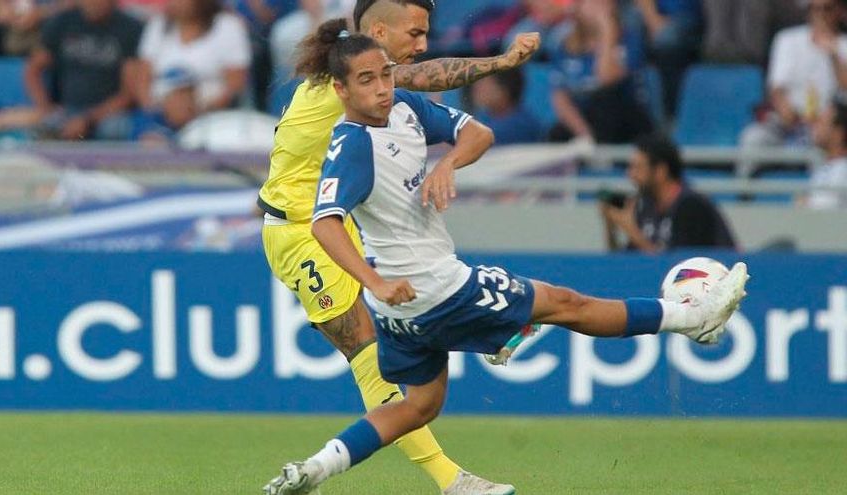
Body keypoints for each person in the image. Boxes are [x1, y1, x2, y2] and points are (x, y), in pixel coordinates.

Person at [262, 30, 749, 495]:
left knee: (419, 407)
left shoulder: (406, 108)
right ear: (341, 90)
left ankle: (314, 468)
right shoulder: (351, 146)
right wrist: (375, 282)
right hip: (434, 288)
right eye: (366, 80)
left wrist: (448, 162)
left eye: (386, 74)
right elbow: (325, 224)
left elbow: (478, 133)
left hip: (403, 309)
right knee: (567, 304)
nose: (382, 88)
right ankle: (692, 317)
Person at [257, 2, 542, 494]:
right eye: (414, 34)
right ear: (378, 32)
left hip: (345, 222)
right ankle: (451, 481)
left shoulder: (361, 78)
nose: (421, 46)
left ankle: (486, 330)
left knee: (414, 295)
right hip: (300, 234)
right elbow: (425, 75)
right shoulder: (344, 82)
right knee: (367, 353)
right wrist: (499, 62)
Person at [24, 0, 143, 140]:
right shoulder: (63, 22)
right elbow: (33, 70)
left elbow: (129, 93)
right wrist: (46, 108)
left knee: (115, 129)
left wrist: (87, 120)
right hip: (66, 110)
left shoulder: (130, 28)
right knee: (39, 127)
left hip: (109, 114)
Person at [130, 0, 250, 139]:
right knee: (148, 136)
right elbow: (142, 79)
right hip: (160, 114)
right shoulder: (158, 25)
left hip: (210, 116)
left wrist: (197, 109)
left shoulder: (227, 26)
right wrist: (157, 109)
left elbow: (235, 85)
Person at [600, 133, 737, 253]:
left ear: (661, 171)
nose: (630, 175)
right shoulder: (646, 207)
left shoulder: (692, 207)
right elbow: (627, 264)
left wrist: (632, 230)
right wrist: (611, 228)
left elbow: (682, 269)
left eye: (638, 167)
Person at [740, 0, 847, 148]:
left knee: (829, 137)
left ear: (841, 11)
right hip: (788, 122)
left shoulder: (844, 45)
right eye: (814, 9)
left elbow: (845, 88)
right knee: (754, 138)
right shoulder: (787, 39)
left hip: (831, 126)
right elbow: (777, 88)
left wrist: (834, 55)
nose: (820, 14)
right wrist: (788, 114)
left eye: (827, 9)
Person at [547, 0, 653, 144]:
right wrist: (585, 134)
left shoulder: (630, 40)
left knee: (605, 101)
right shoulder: (565, 46)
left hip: (626, 115)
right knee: (557, 133)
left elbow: (606, 78)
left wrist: (607, 30)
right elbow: (560, 97)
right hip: (587, 117)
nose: (598, 8)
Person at [469, 68, 545, 145]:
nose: (476, 88)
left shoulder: (521, 126)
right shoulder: (484, 118)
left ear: (504, 89)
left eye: (483, 83)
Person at [803, 98, 847, 209]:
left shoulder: (842, 172)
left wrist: (803, 203)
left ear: (838, 133)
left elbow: (822, 212)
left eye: (822, 122)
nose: (815, 127)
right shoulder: (823, 168)